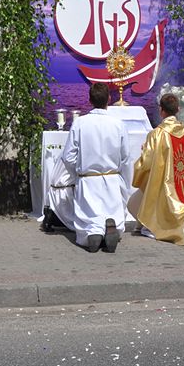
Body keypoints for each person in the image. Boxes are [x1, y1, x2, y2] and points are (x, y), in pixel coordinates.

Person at [129, 93, 184, 245]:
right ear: (178, 109)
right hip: (183, 182)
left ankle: (180, 222)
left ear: (161, 110)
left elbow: (146, 163)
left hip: (164, 185)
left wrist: (141, 160)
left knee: (134, 202)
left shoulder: (157, 134)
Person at [62, 83, 129, 252]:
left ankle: (93, 232)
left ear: (90, 100)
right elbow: (125, 157)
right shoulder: (118, 124)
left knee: (89, 216)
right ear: (109, 99)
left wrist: (78, 173)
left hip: (88, 180)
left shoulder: (80, 123)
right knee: (111, 210)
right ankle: (110, 227)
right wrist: (123, 179)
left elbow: (68, 157)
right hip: (112, 178)